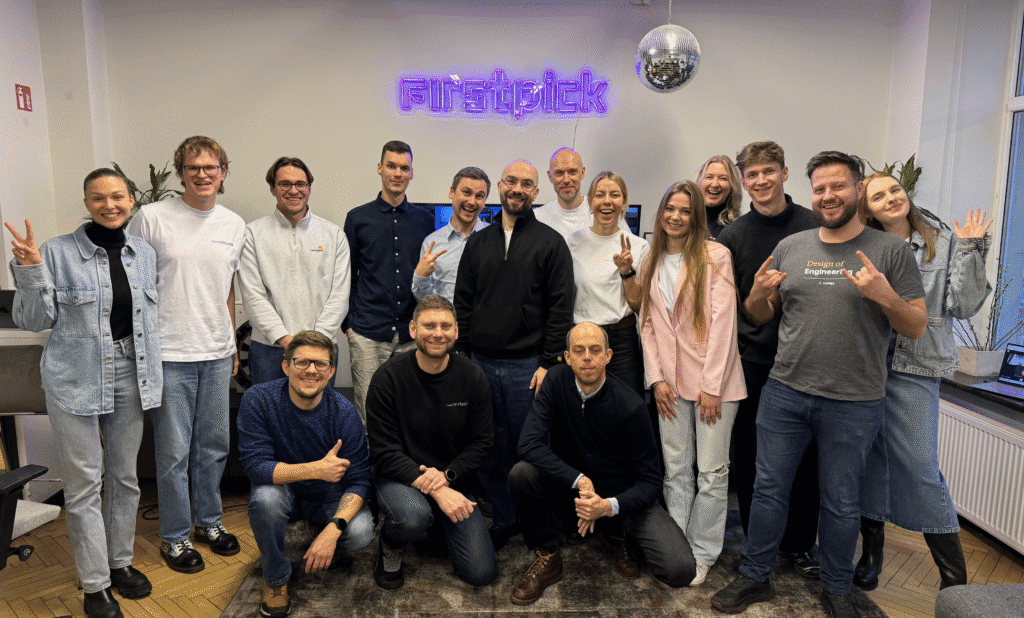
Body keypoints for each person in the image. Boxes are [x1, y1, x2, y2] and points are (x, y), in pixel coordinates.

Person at [712, 151, 927, 618]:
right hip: (785, 392)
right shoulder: (793, 246)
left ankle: (836, 587)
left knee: (840, 500)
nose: (828, 196)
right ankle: (754, 576)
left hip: (854, 401)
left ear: (857, 191)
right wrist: (757, 294)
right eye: (821, 189)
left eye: (838, 187)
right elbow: (759, 313)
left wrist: (884, 295)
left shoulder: (889, 251)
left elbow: (915, 327)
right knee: (768, 489)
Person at [6, 169, 161, 618]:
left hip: (133, 372)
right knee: (84, 485)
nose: (110, 205)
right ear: (87, 202)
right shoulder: (55, 252)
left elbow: (147, 322)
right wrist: (32, 270)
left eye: (118, 196)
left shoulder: (144, 252)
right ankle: (95, 586)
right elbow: (33, 321)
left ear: (131, 200)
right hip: (75, 378)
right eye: (99, 198)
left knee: (126, 479)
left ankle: (120, 564)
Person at [854, 172, 991, 591]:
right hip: (869, 367)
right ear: (869, 208)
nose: (891, 198)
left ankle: (953, 576)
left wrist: (971, 248)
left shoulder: (944, 240)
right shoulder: (865, 245)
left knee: (920, 467)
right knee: (870, 463)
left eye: (895, 189)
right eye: (879, 196)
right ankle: (872, 554)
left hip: (917, 368)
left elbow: (963, 306)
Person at [507, 322, 696, 605]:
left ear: (608, 356)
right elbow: (528, 444)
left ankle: (617, 533)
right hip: (573, 489)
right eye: (579, 351)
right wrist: (580, 480)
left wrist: (607, 506)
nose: (587, 357)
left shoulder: (630, 405)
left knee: (680, 570)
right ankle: (548, 556)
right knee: (522, 474)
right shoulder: (556, 382)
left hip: (622, 496)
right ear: (567, 357)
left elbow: (652, 483)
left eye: (595, 350)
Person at [127, 135, 245, 574]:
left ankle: (209, 524)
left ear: (223, 172)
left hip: (215, 351)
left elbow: (228, 290)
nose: (202, 174)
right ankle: (175, 537)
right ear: (181, 173)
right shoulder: (151, 218)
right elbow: (133, 284)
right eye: (193, 167)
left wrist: (231, 344)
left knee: (214, 445)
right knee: (174, 452)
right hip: (168, 353)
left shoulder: (233, 225)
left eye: (210, 167)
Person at [453, 158, 574, 549]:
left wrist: (549, 361)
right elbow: (464, 303)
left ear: (536, 192)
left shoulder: (550, 242)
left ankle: (538, 522)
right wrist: (465, 358)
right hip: (482, 364)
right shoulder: (479, 242)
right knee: (490, 448)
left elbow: (560, 307)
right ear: (500, 187)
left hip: (528, 368)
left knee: (531, 449)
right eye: (511, 181)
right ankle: (505, 518)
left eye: (527, 183)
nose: (518, 189)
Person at [717, 140, 821, 579]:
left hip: (808, 360)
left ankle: (799, 544)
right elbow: (726, 306)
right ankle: (756, 542)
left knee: (805, 462)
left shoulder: (814, 226)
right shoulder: (733, 236)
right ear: (744, 181)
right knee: (754, 457)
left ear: (784, 172)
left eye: (768, 172)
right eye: (752, 175)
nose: (760, 181)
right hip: (755, 363)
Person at [636, 180, 746, 586]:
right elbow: (646, 323)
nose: (676, 217)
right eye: (670, 209)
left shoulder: (715, 255)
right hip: (669, 384)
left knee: (713, 473)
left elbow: (723, 323)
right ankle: (678, 546)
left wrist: (712, 385)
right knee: (676, 470)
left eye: (685, 211)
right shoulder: (650, 256)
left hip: (712, 386)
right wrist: (656, 379)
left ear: (696, 216)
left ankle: (703, 552)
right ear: (661, 212)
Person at [237, 330, 374, 618]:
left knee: (361, 532)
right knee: (264, 500)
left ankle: (319, 526)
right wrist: (316, 469)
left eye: (321, 364)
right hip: (283, 491)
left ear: (331, 371)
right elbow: (255, 466)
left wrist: (334, 528)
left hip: (328, 496)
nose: (311, 370)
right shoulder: (258, 400)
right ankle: (275, 578)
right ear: (286, 366)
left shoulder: (345, 413)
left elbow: (360, 479)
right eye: (302, 362)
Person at [367, 294, 496, 590]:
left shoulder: (473, 376)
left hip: (453, 478)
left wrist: (448, 477)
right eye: (429, 325)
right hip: (399, 478)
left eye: (445, 326)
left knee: (481, 573)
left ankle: (436, 526)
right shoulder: (387, 378)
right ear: (413, 330)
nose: (438, 333)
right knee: (413, 517)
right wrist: (438, 491)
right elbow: (384, 452)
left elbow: (482, 441)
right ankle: (390, 542)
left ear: (456, 332)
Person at [343, 140, 433, 425]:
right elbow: (348, 276)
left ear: (411, 173)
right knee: (369, 415)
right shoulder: (358, 219)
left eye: (404, 168)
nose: (397, 173)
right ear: (380, 169)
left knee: (409, 414)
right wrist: (349, 325)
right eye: (391, 166)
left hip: (410, 334)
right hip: (368, 332)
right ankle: (368, 471)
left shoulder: (424, 220)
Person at [239, 156, 350, 385]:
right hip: (270, 350)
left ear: (309, 188)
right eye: (285, 184)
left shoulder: (333, 235)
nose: (293, 190)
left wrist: (315, 341)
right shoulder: (252, 234)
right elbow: (254, 297)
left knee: (317, 418)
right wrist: (287, 340)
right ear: (273, 188)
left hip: (321, 349)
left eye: (300, 184)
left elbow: (339, 296)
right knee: (269, 417)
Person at [566, 171, 649, 395]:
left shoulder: (639, 246)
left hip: (621, 343)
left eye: (615, 195)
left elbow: (638, 305)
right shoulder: (572, 242)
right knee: (584, 409)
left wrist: (626, 272)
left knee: (628, 409)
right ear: (590, 203)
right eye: (600, 194)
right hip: (583, 339)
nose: (607, 201)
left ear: (624, 203)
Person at [411, 167, 490, 302]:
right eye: (466, 192)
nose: (471, 201)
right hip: (444, 322)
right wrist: (420, 277)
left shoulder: (494, 239)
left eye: (479, 196)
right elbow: (424, 301)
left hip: (483, 322)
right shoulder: (432, 243)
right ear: (451, 192)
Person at [695, 155, 743, 239]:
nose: (714, 184)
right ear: (699, 182)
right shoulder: (686, 221)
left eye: (723, 178)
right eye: (709, 177)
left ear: (732, 187)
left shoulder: (738, 230)